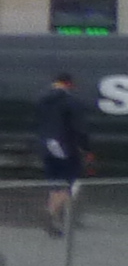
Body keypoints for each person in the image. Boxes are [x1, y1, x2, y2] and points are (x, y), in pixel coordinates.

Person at [35, 68, 90, 235]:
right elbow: (79, 128)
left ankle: (54, 223)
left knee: (54, 185)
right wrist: (86, 147)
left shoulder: (42, 100)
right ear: (69, 84)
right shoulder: (71, 102)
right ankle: (50, 213)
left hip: (46, 146)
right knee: (67, 184)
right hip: (66, 147)